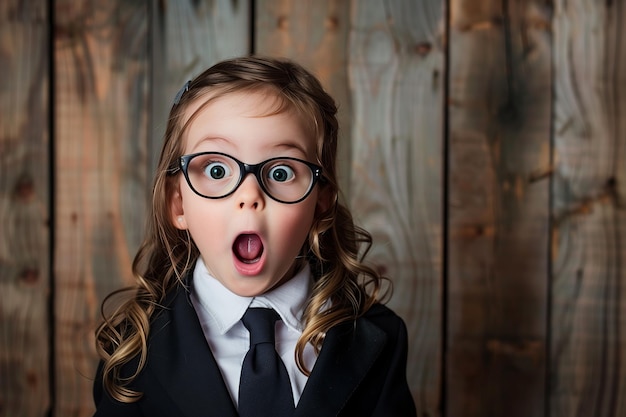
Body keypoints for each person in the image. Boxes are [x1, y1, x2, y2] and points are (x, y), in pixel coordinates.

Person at [93, 56, 417, 417]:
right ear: (178, 203)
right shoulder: (132, 349)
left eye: (280, 172)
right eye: (216, 169)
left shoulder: (378, 338)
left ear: (321, 201)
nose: (249, 195)